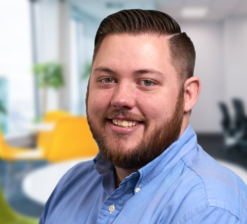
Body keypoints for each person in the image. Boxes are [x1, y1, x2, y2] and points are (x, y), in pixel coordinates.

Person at [39, 10, 247, 224]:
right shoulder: (71, 183)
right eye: (107, 79)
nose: (121, 99)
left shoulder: (208, 209)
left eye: (147, 82)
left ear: (188, 95)